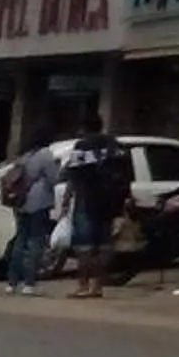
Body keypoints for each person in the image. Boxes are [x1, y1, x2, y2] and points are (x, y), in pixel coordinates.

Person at [59, 113, 131, 300]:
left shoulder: (82, 146)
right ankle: (98, 285)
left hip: (87, 199)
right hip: (110, 201)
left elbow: (73, 175)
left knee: (84, 245)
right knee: (105, 244)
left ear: (84, 128)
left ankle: (83, 285)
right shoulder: (117, 146)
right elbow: (127, 175)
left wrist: (66, 201)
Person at [2, 133, 60, 296]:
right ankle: (29, 283)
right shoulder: (46, 155)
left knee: (20, 241)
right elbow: (53, 178)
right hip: (39, 202)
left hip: (21, 202)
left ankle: (12, 282)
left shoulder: (25, 156)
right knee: (36, 242)